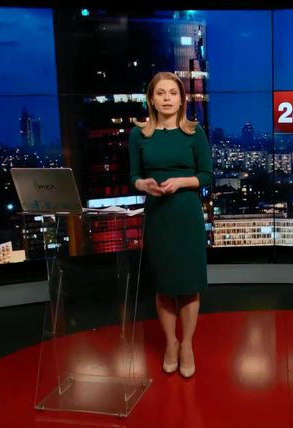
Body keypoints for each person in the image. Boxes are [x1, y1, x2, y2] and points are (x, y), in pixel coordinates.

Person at [128, 72, 213, 378]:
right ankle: (171, 343)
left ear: (181, 99)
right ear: (151, 99)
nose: (167, 98)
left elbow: (207, 175)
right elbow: (133, 176)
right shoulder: (139, 134)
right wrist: (143, 184)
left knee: (189, 286)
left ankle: (187, 344)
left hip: (186, 214)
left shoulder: (194, 132)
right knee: (164, 287)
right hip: (158, 215)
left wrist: (181, 182)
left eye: (173, 93)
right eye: (161, 93)